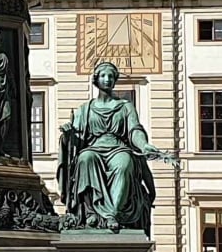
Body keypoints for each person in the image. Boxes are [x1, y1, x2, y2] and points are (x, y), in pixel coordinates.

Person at [59, 60, 176, 232]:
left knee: (124, 164)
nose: (107, 79)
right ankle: (91, 212)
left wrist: (143, 145)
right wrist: (68, 135)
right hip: (94, 148)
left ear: (115, 80)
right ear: (96, 79)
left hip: (118, 148)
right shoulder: (85, 109)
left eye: (111, 76)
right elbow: (76, 140)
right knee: (85, 158)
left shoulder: (125, 107)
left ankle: (112, 213)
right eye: (103, 76)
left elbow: (135, 130)